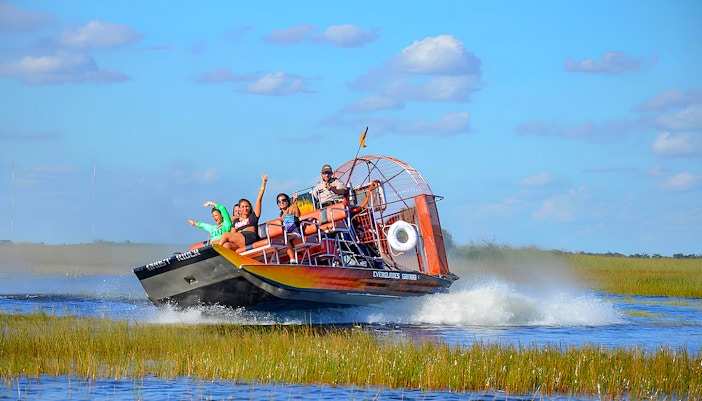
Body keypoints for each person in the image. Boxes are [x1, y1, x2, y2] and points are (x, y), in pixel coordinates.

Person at [216, 174, 267, 251]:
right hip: (239, 240)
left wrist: (263, 183)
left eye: (247, 206)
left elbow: (258, 200)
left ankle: (215, 252)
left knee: (225, 235)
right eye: (242, 207)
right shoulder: (236, 221)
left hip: (249, 237)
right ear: (239, 208)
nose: (245, 208)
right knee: (227, 245)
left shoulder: (253, 216)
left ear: (250, 207)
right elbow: (232, 233)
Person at [276, 192, 301, 263]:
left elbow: (297, 215)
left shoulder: (291, 208)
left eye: (283, 200)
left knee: (285, 238)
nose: (281, 202)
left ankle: (293, 259)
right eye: (279, 201)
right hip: (286, 234)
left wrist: (295, 203)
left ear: (287, 201)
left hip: (295, 233)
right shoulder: (281, 215)